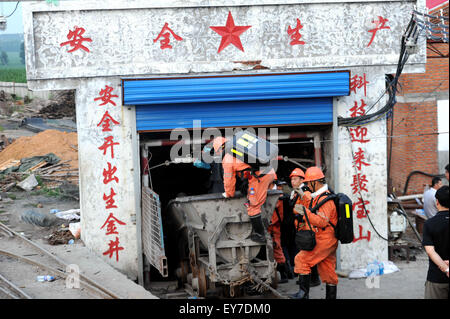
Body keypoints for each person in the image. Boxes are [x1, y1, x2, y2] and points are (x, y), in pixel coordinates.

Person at [213, 137, 276, 243]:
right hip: (268, 173)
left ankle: (261, 235)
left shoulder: (227, 159)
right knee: (255, 199)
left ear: (219, 149)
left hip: (260, 178)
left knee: (253, 206)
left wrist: (229, 194)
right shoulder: (237, 149)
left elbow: (229, 180)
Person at [290, 166, 338, 300]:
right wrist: (302, 201)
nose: (306, 185)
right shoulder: (319, 196)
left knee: (301, 259)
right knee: (328, 269)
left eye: (308, 182)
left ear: (315, 182)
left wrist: (305, 213)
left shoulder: (326, 200)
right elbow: (311, 204)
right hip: (327, 239)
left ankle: (303, 294)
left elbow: (321, 222)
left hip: (325, 239)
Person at [422, 185, 449, 299]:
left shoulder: (429, 224)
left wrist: (447, 269)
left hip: (437, 278)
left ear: (437, 202)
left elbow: (430, 251)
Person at [268, 179, 289, 284]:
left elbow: (275, 216)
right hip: (272, 225)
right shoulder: (276, 194)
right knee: (276, 249)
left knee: (277, 249)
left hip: (273, 226)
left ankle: (284, 274)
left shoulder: (277, 196)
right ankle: (283, 273)